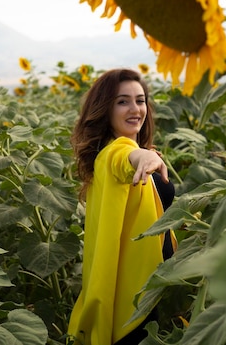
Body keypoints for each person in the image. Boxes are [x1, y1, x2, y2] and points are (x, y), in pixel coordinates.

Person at [67, 68, 176, 345]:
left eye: (140, 100)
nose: (135, 109)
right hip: (133, 298)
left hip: (154, 287)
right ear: (105, 109)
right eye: (122, 101)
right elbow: (125, 156)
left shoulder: (137, 152)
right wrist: (142, 158)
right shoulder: (113, 154)